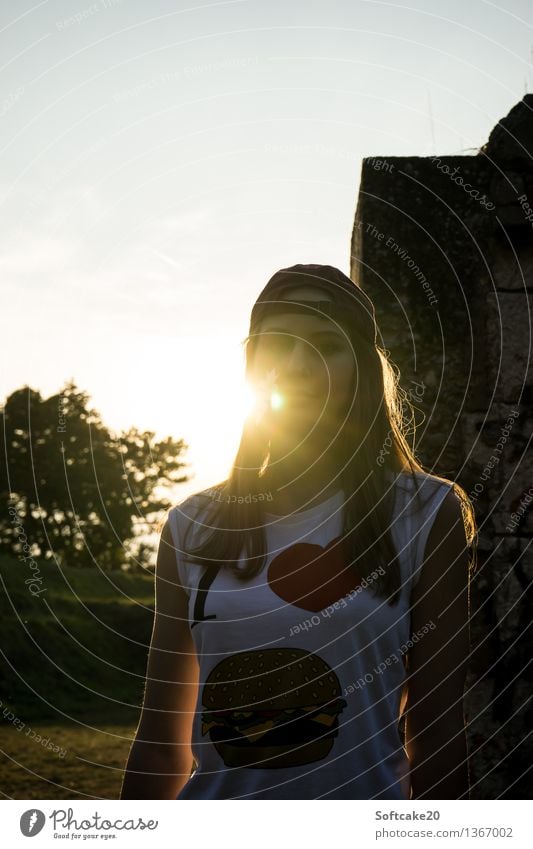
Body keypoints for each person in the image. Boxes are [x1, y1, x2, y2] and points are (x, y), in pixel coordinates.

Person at [120, 263, 477, 800]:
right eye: (278, 344)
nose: (298, 366)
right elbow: (160, 743)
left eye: (326, 343)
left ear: (362, 368)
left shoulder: (427, 513)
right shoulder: (191, 527)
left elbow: (438, 736)